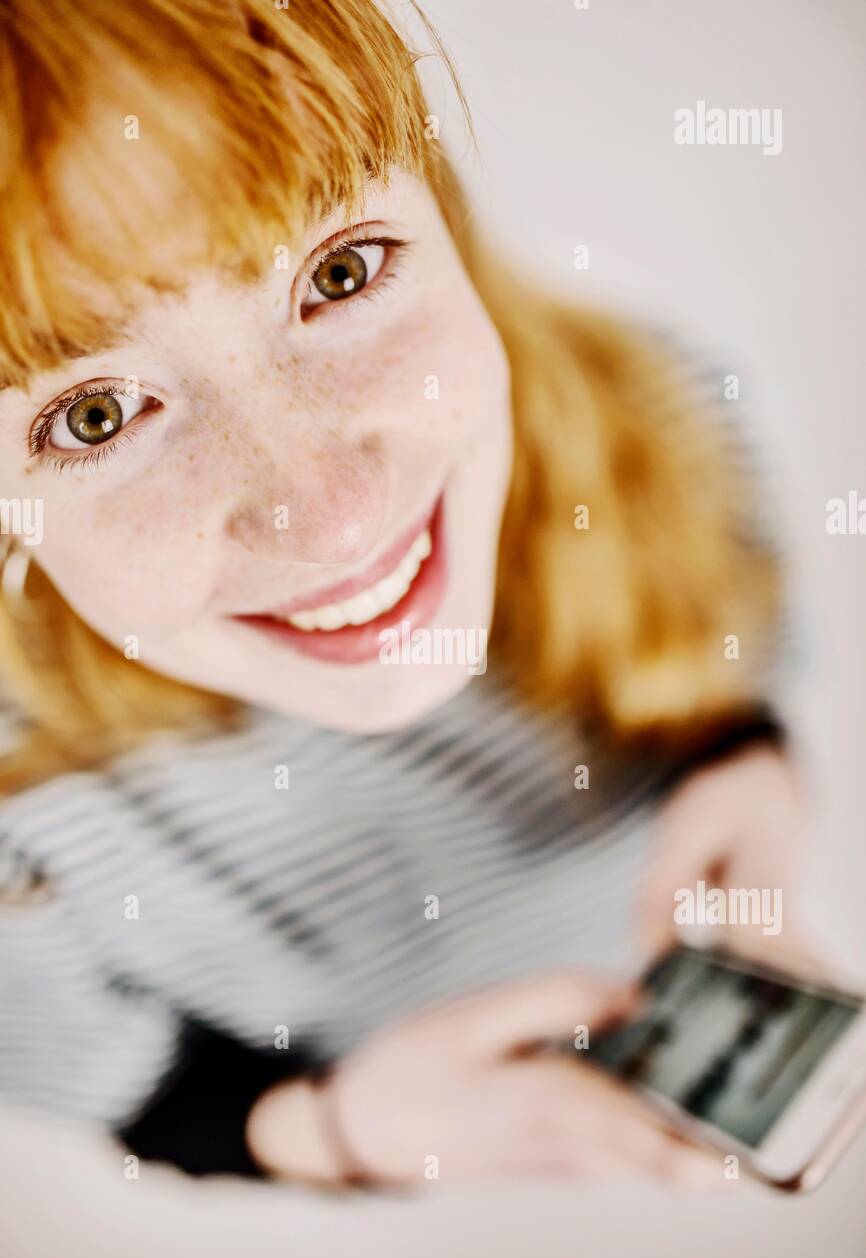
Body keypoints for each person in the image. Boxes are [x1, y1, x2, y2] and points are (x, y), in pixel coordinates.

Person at [0, 0, 804, 1192]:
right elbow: (133, 1087)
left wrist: (740, 753)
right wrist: (338, 1130)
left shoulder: (659, 411)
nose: (330, 516)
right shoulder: (23, 846)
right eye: (95, 415)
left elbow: (732, 638)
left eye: (339, 270)